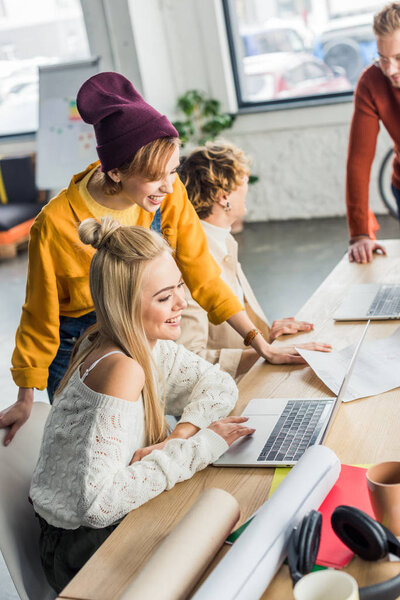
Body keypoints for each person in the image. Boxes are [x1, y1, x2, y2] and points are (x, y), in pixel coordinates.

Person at [1, 72, 331, 445]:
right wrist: (25, 398)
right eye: (156, 177)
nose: (170, 186)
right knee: (90, 445)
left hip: (142, 330)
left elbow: (202, 273)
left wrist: (260, 343)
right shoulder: (55, 224)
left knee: (147, 438)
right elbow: (39, 315)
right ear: (116, 172)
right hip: (80, 345)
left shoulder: (166, 194)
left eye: (173, 171)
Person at [29, 217, 253, 593]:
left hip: (103, 522)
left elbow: (217, 384)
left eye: (179, 286)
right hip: (80, 550)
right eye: (164, 297)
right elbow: (97, 505)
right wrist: (201, 445)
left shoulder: (145, 345)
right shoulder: (121, 369)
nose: (183, 302)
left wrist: (178, 436)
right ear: (126, 305)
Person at [178, 141, 316, 379]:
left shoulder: (221, 240)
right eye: (243, 183)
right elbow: (186, 362)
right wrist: (264, 352)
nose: (247, 189)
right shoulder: (194, 259)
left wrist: (267, 337)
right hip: (223, 402)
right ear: (224, 197)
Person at [346, 2, 400, 264]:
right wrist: (359, 233)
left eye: (399, 58)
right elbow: (359, 160)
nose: (390, 70)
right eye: (382, 58)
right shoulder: (372, 82)